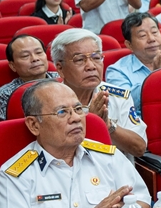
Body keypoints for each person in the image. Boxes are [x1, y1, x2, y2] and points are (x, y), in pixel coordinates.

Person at [0, 80, 148, 208]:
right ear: (34, 125)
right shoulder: (14, 174)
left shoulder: (108, 157)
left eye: (78, 109)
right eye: (62, 112)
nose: (75, 119)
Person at [50, 28, 147, 156]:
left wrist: (108, 126)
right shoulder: (50, 103)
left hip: (115, 173)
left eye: (96, 57)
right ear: (60, 68)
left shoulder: (118, 96)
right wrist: (92, 123)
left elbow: (139, 148)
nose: (91, 66)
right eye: (79, 60)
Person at [104, 12, 161, 109]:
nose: (152, 39)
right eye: (143, 35)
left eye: (154, 32)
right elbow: (124, 105)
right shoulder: (117, 71)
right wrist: (155, 76)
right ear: (129, 45)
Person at [0, 34, 59, 121]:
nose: (35, 59)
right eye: (25, 56)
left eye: (39, 52)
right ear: (13, 66)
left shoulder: (64, 79)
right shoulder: (5, 94)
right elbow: (9, 128)